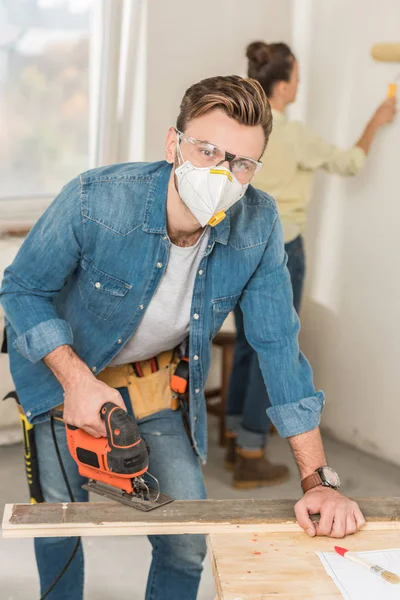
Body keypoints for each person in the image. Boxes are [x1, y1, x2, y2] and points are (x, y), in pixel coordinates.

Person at [1, 75, 366, 600]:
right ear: (174, 144)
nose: (223, 174)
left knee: (187, 542)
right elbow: (21, 289)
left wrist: (319, 483)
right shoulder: (97, 199)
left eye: (241, 163)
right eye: (208, 151)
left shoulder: (257, 224)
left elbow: (279, 346)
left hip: (152, 386)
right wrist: (76, 381)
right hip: (61, 384)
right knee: (60, 527)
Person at [226, 42, 397, 489]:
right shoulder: (292, 133)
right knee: (275, 348)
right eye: (298, 77)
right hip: (280, 250)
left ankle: (232, 434)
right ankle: (249, 453)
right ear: (282, 86)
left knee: (248, 343)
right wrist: (375, 123)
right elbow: (349, 162)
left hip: (237, 247)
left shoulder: (240, 127)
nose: (301, 83)